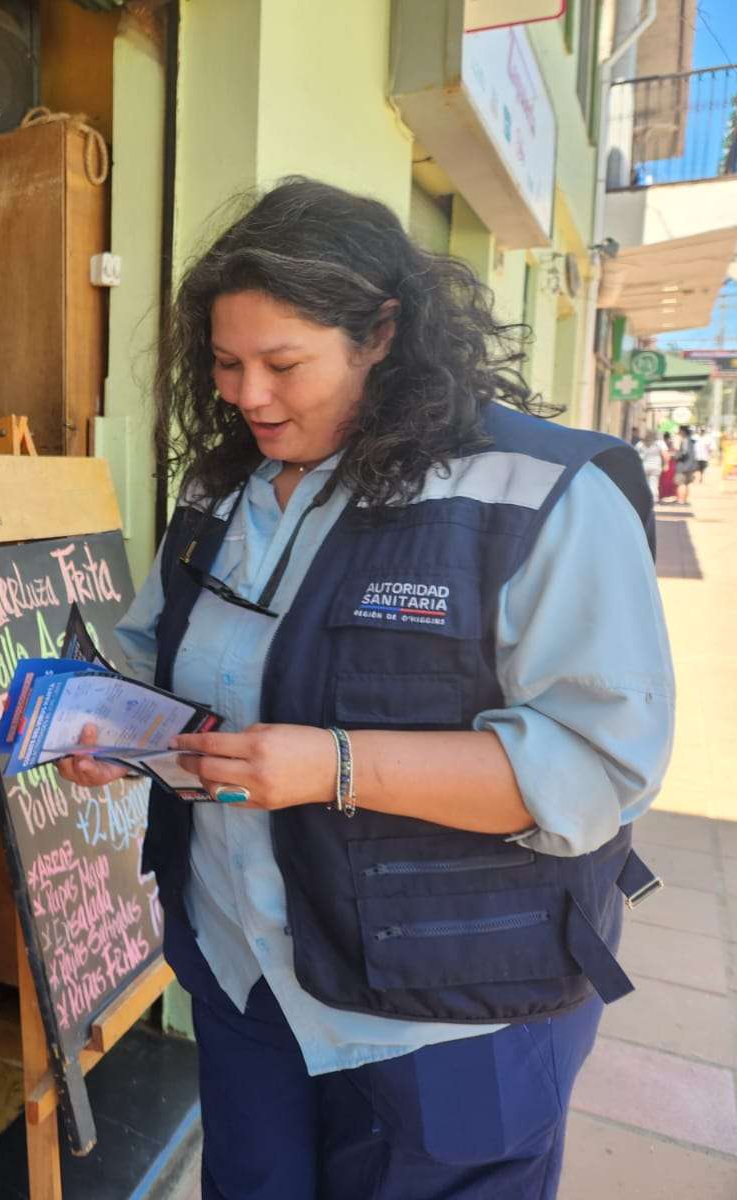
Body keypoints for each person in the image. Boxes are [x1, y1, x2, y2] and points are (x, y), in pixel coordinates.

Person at [59, 178, 673, 1199]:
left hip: (445, 1012)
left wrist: (335, 765)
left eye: (281, 364)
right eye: (223, 363)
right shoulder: (222, 491)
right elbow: (156, 660)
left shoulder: (533, 494)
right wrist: (117, 731)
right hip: (244, 970)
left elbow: (598, 767)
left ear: (381, 335)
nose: (246, 395)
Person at [675, 425, 699, 504]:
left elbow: (683, 453)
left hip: (683, 466)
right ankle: (685, 499)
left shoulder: (685, 440)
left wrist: (676, 456)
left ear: (682, 431)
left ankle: (681, 500)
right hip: (690, 466)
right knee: (687, 483)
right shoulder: (691, 440)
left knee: (681, 483)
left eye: (679, 431)